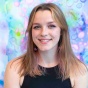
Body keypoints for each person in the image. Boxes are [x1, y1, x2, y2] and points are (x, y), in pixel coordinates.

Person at [4, 3, 88, 88]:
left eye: (51, 26)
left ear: (61, 31)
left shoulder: (79, 70)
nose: (43, 33)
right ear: (31, 31)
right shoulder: (14, 68)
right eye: (37, 27)